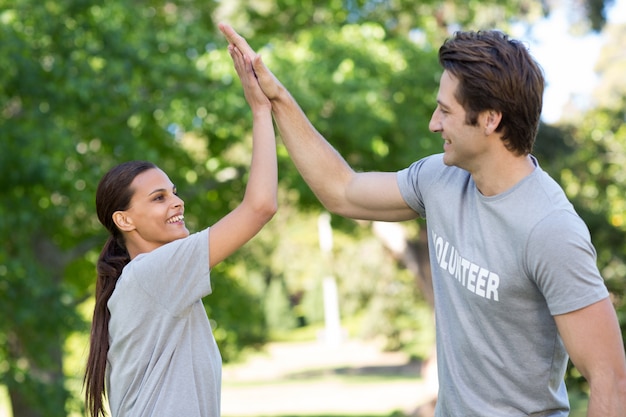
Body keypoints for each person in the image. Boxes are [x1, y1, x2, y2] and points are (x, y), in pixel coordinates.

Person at [219, 23, 626, 416]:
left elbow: (609, 379)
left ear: (490, 119)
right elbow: (340, 190)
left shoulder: (550, 229)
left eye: (445, 111)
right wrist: (276, 98)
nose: (434, 123)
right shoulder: (441, 178)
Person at [83, 44, 276, 417]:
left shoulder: (152, 279)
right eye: (158, 198)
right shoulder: (154, 273)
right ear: (125, 220)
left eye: (174, 192)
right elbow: (261, 206)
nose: (177, 202)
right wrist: (261, 109)